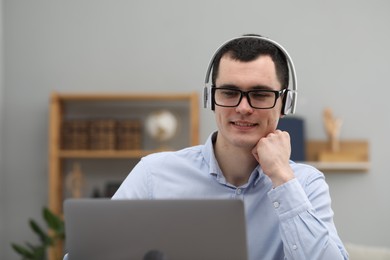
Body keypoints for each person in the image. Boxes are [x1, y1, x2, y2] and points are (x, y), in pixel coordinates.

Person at [112, 35, 349, 260]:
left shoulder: (305, 184)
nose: (243, 107)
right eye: (229, 92)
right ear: (211, 99)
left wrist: (282, 178)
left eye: (260, 94)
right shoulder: (154, 174)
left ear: (285, 103)